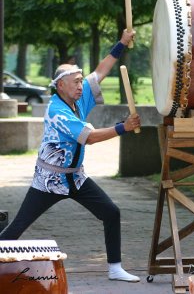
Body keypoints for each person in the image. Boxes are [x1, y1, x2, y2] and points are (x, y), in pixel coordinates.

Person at [0, 29, 141, 282]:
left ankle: (115, 268)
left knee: (111, 212)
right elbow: (90, 137)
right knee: (18, 227)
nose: (81, 85)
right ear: (61, 85)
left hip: (76, 177)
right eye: (76, 81)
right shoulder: (57, 110)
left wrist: (121, 43)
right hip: (49, 180)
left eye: (80, 81)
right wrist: (123, 128)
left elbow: (100, 72)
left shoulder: (78, 96)